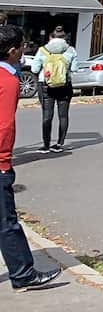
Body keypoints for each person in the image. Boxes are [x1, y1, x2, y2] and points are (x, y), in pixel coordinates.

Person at [0, 24, 62, 291]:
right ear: (13, 51)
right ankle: (23, 273)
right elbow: (4, 126)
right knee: (6, 222)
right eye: (22, 46)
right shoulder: (8, 80)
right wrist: (4, 161)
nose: (24, 50)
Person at [31, 27, 77, 153]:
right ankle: (59, 144)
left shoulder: (42, 50)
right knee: (63, 115)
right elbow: (74, 69)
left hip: (46, 85)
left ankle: (46, 145)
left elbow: (34, 69)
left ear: (51, 37)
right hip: (65, 85)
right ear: (64, 37)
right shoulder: (71, 50)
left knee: (47, 115)